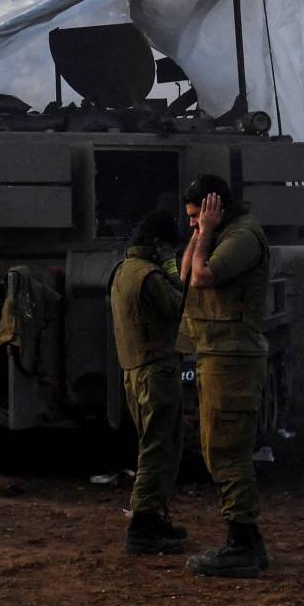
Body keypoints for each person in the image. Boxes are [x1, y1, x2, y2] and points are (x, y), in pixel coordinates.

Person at [175, 174, 274, 578]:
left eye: (195, 214)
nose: (191, 222)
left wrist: (207, 231)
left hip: (233, 358)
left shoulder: (243, 237)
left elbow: (202, 277)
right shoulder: (216, 234)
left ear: (214, 207)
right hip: (216, 354)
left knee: (228, 452)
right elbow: (185, 273)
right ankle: (246, 541)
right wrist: (201, 232)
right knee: (217, 448)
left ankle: (242, 544)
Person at [109, 204, 187, 554]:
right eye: (168, 247)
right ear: (158, 244)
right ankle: (142, 526)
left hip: (137, 371)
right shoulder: (150, 276)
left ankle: (154, 517)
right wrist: (172, 270)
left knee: (155, 444)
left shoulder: (124, 270)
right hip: (156, 372)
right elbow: (181, 308)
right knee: (158, 448)